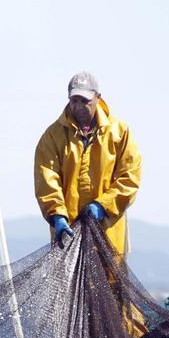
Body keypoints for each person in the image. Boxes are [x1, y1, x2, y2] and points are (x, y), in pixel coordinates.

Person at [34, 71, 142, 258]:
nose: (79, 106)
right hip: (68, 238)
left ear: (98, 98)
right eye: (74, 100)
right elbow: (47, 179)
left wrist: (103, 206)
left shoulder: (119, 132)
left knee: (108, 286)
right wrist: (57, 214)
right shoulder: (52, 136)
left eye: (85, 101)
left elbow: (129, 178)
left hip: (110, 238)